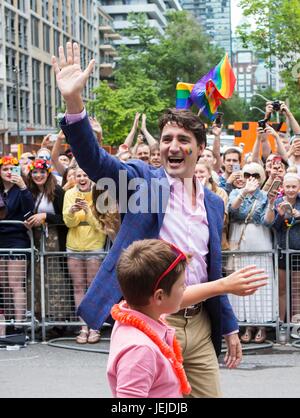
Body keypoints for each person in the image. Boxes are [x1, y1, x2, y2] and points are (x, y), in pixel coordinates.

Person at [52, 42, 257, 397]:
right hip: (155, 321)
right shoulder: (142, 183)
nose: (172, 146)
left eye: (182, 139)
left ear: (199, 148)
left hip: (201, 325)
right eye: (166, 139)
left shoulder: (212, 202)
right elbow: (96, 161)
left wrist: (229, 326)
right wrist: (74, 103)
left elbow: (212, 269)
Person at [108, 239, 267, 398]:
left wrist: (226, 285)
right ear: (159, 296)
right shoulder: (141, 349)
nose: (186, 289)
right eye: (182, 285)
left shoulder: (139, 314)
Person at [227, 163, 274, 344]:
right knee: (241, 281)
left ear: (261, 177)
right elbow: (233, 209)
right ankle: (244, 325)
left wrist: (270, 204)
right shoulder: (236, 193)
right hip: (238, 242)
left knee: (260, 281)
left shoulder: (264, 196)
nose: (251, 177)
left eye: (255, 174)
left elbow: (267, 221)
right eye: (247, 174)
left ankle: (261, 325)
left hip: (260, 240)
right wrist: (244, 192)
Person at [63, 167, 107, 344]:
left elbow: (100, 224)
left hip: (94, 245)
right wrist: (72, 212)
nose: (82, 178)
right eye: (78, 175)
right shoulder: (69, 194)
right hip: (73, 245)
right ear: (74, 177)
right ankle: (83, 327)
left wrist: (88, 212)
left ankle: (95, 327)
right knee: (79, 286)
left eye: (85, 174)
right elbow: (68, 222)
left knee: (93, 287)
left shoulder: (100, 193)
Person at [0, 156, 35, 322]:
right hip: (1, 240)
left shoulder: (22, 190)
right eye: (4, 169)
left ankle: (19, 323)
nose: (8, 172)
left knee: (15, 283)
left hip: (17, 239)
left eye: (11, 169)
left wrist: (22, 186)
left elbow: (29, 211)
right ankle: (7, 321)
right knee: (4, 284)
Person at [265, 173, 300, 321]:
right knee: (282, 289)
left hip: (297, 251)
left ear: (299, 187)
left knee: (297, 289)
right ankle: (281, 321)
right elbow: (273, 226)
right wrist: (280, 215)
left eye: (294, 186)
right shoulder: (278, 201)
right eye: (288, 186)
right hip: (281, 250)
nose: (291, 189)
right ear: (283, 187)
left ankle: (296, 323)